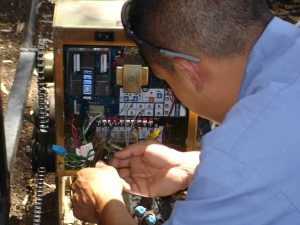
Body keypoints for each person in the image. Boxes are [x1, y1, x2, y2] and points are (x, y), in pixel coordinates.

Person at [71, 0, 300, 224]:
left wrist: (103, 204)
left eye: (166, 82)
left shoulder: (238, 160)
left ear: (188, 72)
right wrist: (192, 167)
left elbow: (250, 165)